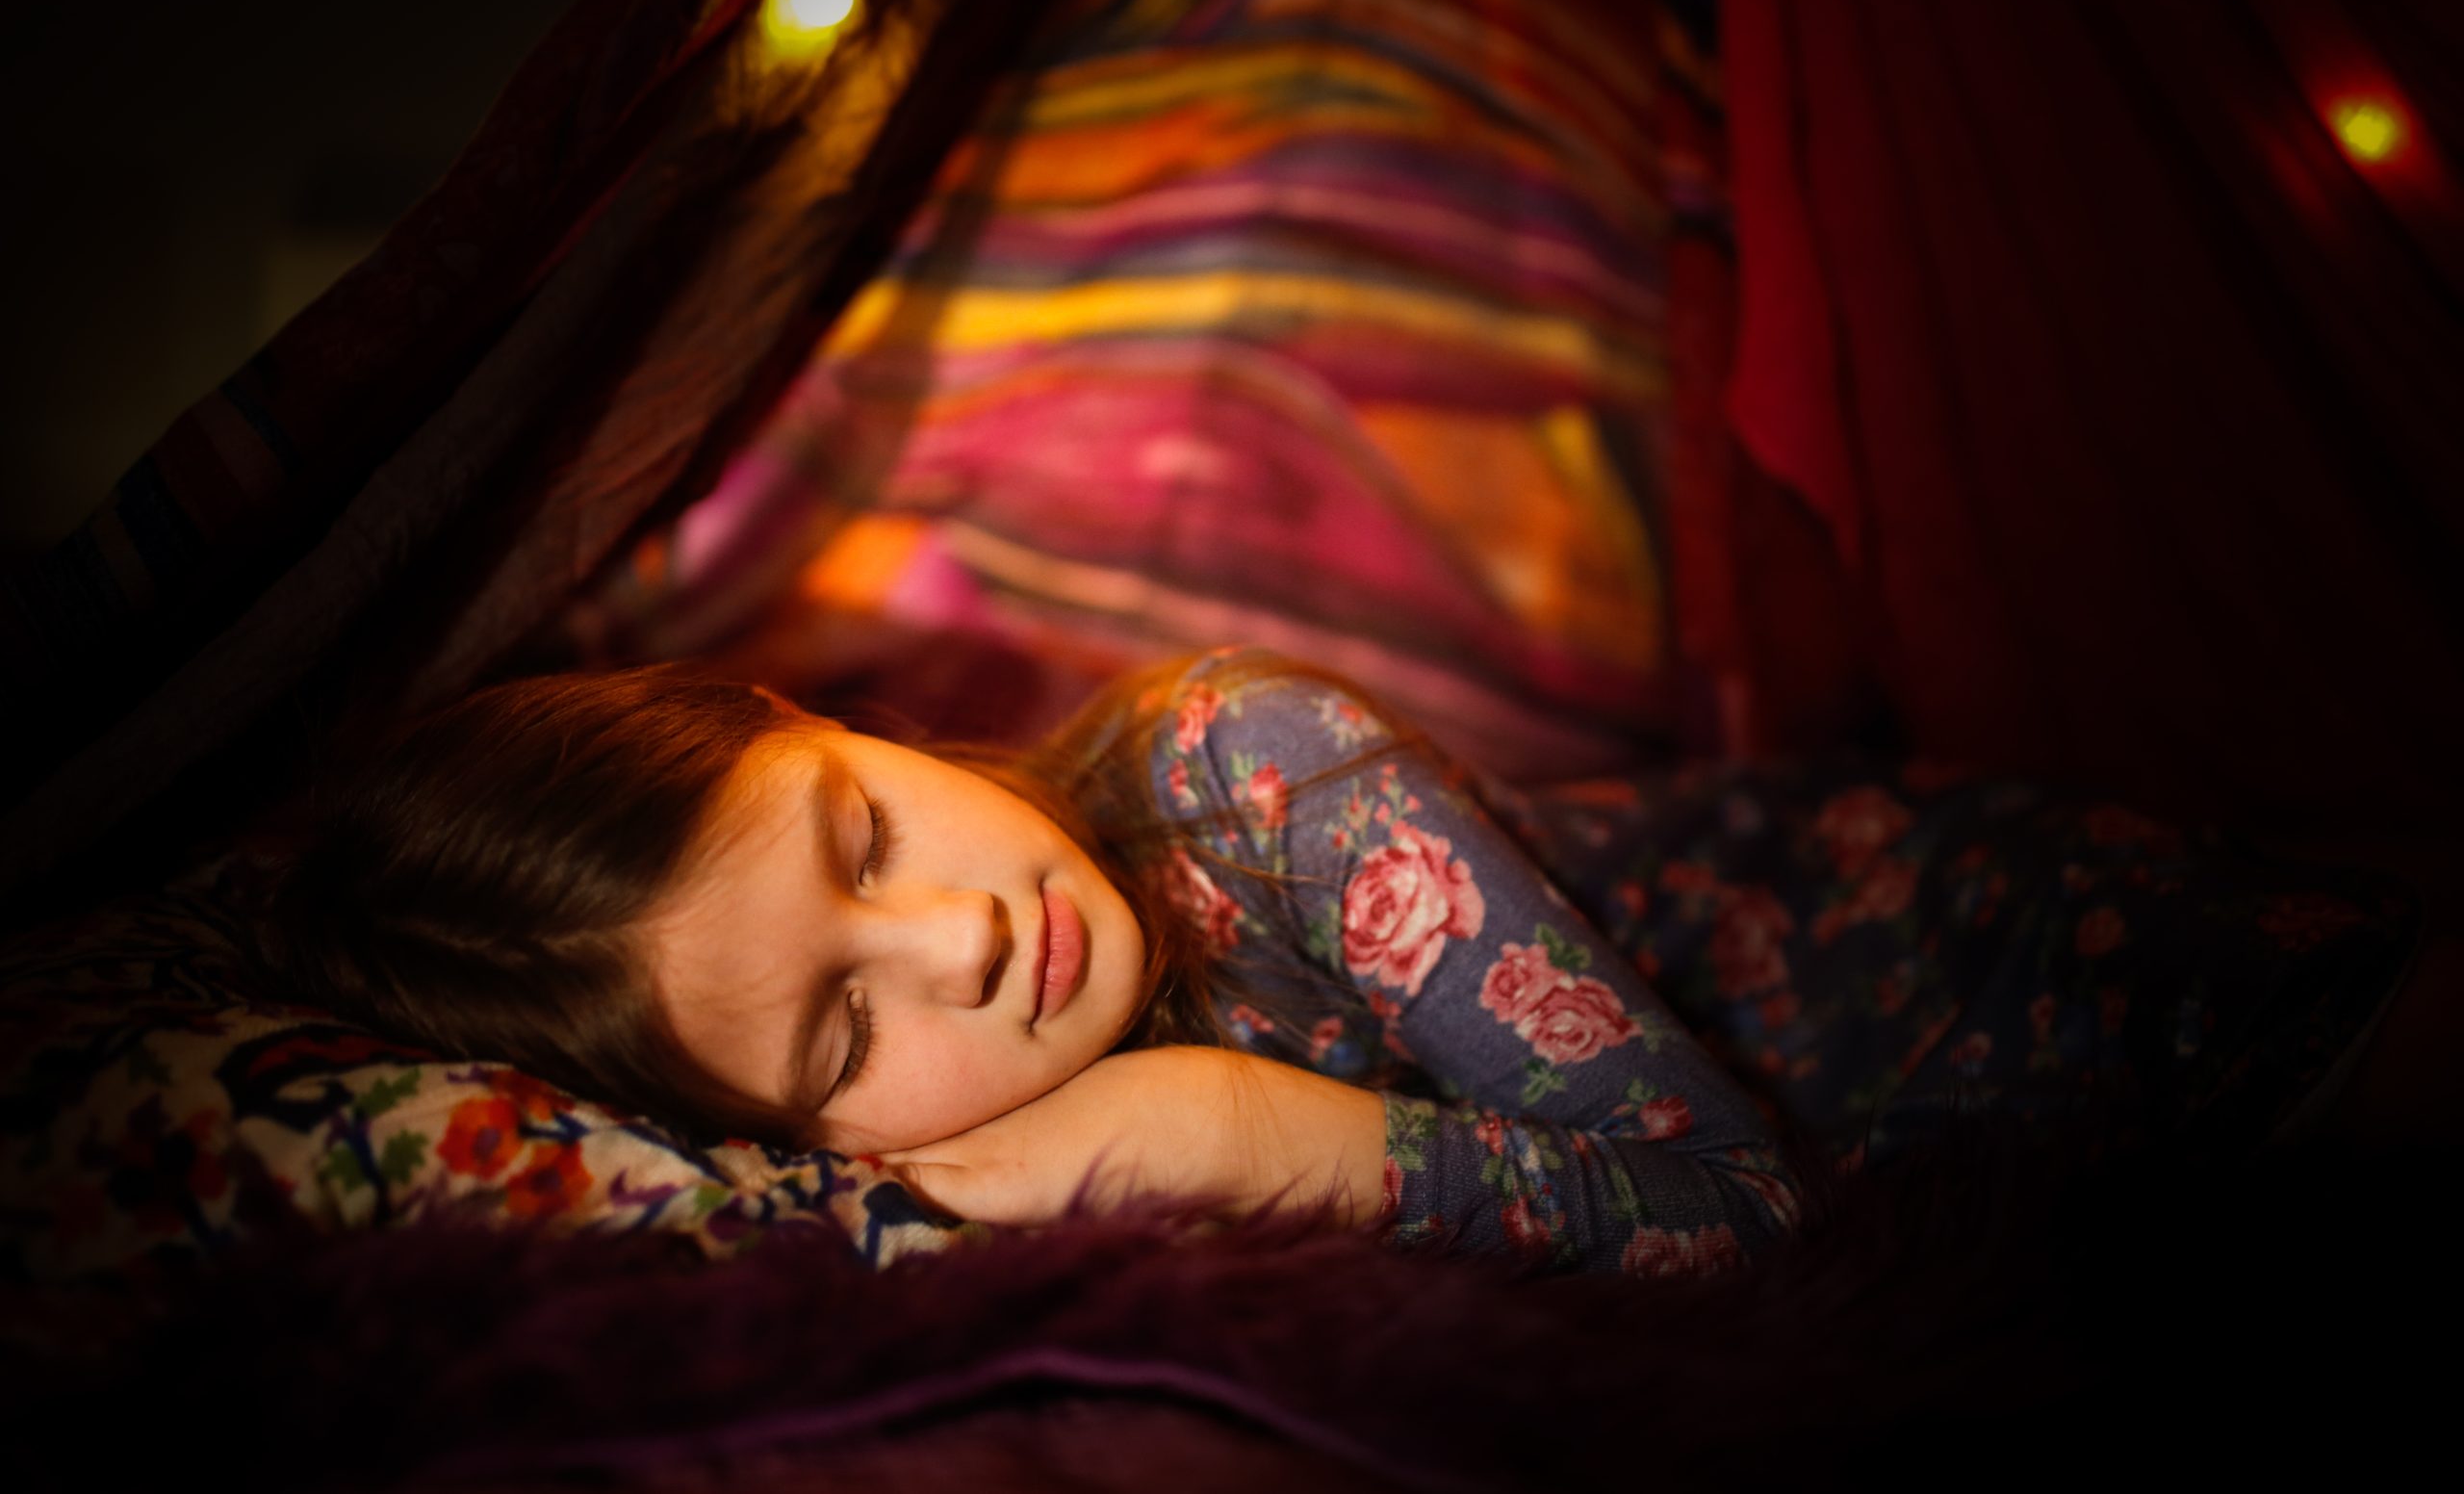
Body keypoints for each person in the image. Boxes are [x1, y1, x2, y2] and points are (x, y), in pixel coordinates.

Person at [263, 644, 2433, 1276]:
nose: (960, 933)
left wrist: (1247, 1127)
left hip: (2027, 944)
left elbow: (1740, 1206)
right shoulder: (848, 1180)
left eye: (868, 827)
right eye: (841, 1018)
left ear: (839, 722)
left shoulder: (1247, 761)